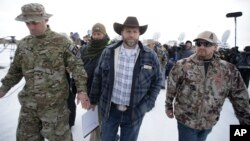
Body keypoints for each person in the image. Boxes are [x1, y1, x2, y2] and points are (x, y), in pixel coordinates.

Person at [0, 3, 88, 141]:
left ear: (45, 20)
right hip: (29, 108)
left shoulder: (62, 42)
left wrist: (82, 90)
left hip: (55, 108)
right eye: (27, 23)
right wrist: (4, 88)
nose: (31, 27)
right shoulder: (23, 44)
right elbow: (15, 70)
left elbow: (77, 66)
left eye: (35, 22)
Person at [165, 31, 250, 141]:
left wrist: (246, 122)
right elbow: (172, 86)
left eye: (207, 44)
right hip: (186, 120)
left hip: (209, 121)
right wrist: (168, 106)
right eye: (199, 43)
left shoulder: (228, 70)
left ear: (215, 47)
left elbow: (240, 97)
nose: (201, 46)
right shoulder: (183, 65)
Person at [88, 16, 162, 141]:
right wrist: (93, 100)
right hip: (110, 110)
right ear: (121, 32)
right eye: (128, 31)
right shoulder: (109, 52)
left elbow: (158, 80)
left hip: (134, 112)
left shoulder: (150, 55)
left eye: (134, 32)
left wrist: (148, 103)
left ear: (139, 34)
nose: (131, 35)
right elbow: (98, 76)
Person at [80, 23, 111, 141]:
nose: (96, 36)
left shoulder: (109, 49)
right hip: (89, 89)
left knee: (103, 119)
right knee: (94, 118)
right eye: (94, 34)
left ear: (104, 34)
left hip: (104, 91)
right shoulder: (85, 49)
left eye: (99, 34)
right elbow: (79, 68)